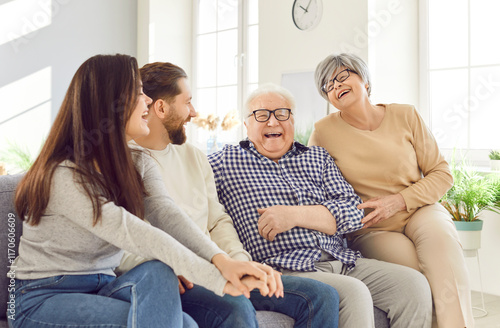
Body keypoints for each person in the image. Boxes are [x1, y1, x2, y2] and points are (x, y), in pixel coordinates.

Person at [9, 54, 280, 328]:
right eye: (138, 93)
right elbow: (134, 232)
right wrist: (219, 277)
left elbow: (167, 215)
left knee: (158, 272)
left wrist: (222, 259)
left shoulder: (138, 162)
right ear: (111, 104)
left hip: (105, 285)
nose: (147, 100)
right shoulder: (64, 174)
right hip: (45, 296)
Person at [119, 61, 340, 328]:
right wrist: (162, 270)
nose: (194, 112)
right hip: (177, 277)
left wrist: (242, 263)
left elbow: (217, 222)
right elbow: (119, 237)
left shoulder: (194, 157)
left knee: (321, 296)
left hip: (219, 269)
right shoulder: (121, 163)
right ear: (161, 108)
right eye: (187, 102)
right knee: (236, 307)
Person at [208, 83, 433, 328]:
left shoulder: (318, 158)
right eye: (261, 115)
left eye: (281, 113)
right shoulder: (223, 162)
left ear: (292, 120)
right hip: (287, 269)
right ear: (247, 124)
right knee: (354, 293)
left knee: (414, 284)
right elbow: (186, 194)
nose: (272, 122)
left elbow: (354, 212)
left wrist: (293, 215)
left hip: (342, 261)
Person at [309, 53, 473, 328]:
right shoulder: (323, 132)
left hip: (420, 209)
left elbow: (442, 173)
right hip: (373, 227)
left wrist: (399, 201)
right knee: (416, 277)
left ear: (365, 80)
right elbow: (312, 186)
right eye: (327, 85)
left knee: (445, 254)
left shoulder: (405, 114)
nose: (335, 85)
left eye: (342, 76)